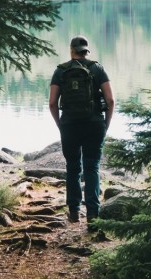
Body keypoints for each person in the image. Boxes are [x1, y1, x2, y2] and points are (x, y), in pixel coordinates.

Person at [49, 35, 115, 227]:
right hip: (94, 124)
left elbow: (53, 103)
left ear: (71, 50)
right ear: (87, 50)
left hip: (69, 125)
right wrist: (106, 124)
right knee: (92, 167)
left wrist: (60, 124)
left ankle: (74, 212)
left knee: (73, 167)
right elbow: (110, 101)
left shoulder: (60, 71)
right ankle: (93, 214)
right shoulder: (97, 68)